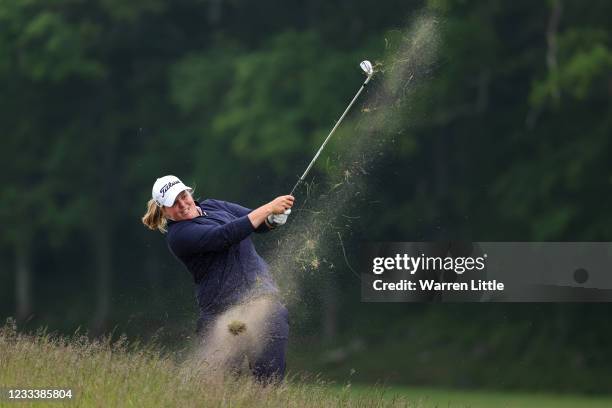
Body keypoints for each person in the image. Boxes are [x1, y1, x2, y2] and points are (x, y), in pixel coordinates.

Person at [141, 175, 294, 382]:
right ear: (163, 210)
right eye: (174, 203)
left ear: (189, 192)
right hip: (222, 317)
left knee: (270, 383)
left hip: (263, 305)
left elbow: (255, 222)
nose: (183, 205)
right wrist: (269, 208)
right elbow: (224, 236)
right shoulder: (179, 236)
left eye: (183, 196)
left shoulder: (213, 205)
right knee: (219, 390)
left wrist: (274, 219)